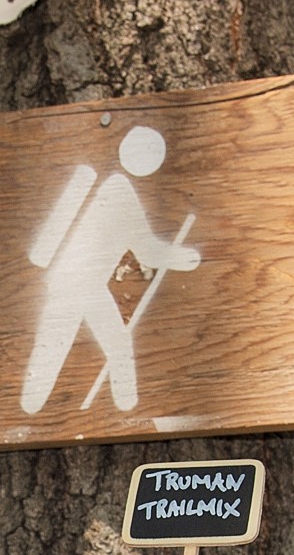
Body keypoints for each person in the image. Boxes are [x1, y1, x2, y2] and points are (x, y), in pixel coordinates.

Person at [21, 125, 200, 414]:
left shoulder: (110, 184)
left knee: (108, 345)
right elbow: (147, 250)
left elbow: (144, 249)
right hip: (77, 284)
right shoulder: (120, 192)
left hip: (81, 285)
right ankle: (31, 408)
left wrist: (180, 257)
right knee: (62, 345)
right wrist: (183, 257)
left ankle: (125, 411)